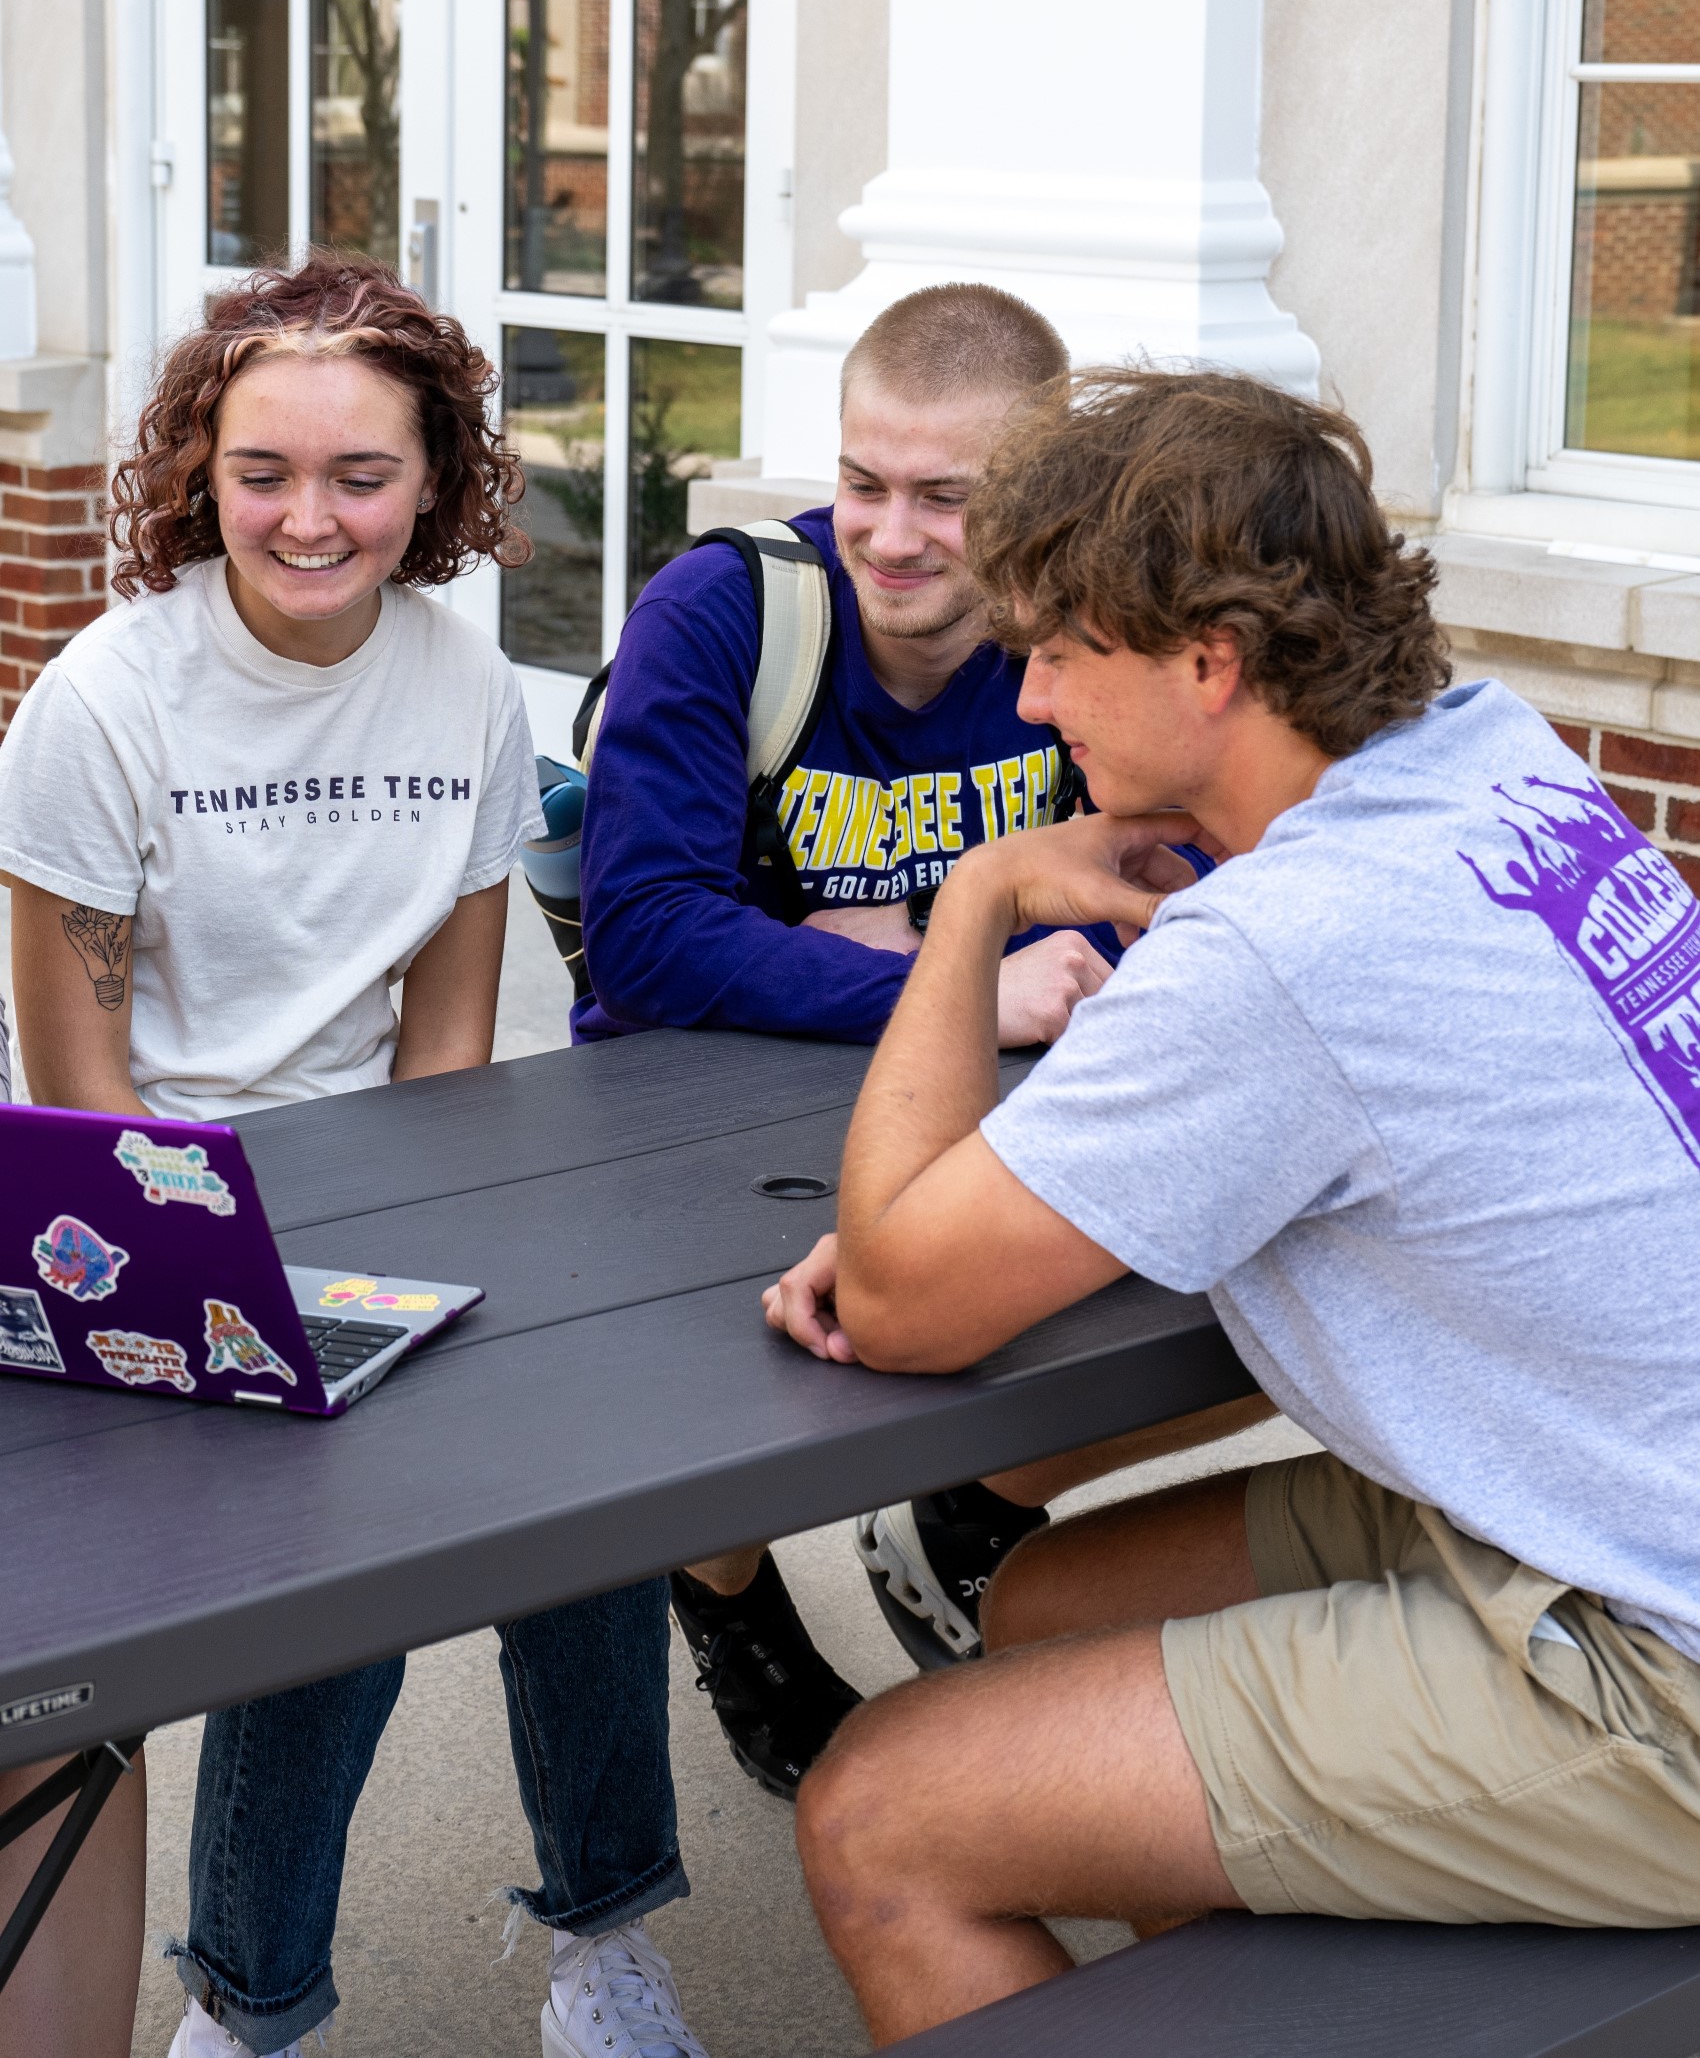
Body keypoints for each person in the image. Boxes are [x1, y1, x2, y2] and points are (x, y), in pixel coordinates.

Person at [763, 367, 1700, 2045]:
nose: (1032, 698)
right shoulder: (1495, 759)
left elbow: (899, 1300)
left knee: (879, 1812)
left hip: (1660, 1658)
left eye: (1060, 650)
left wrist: (971, 899)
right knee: (1041, 1606)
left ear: (1211, 664)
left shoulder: (1284, 948)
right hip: (1602, 1490)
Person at [0, 255, 706, 2058]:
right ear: (196, 470)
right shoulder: (100, 707)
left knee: (594, 1501)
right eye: (261, 471)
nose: (307, 519)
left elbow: (450, 1056)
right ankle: (249, 2008)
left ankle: (603, 1946)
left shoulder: (468, 693)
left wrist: (421, 1279)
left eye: (361, 476)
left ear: (439, 481)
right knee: (344, 1553)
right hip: (153, 1235)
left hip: (393, 1194)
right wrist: (279, 1313)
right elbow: (83, 1118)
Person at [574, 285, 1263, 1800]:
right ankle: (731, 1593)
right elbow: (643, 934)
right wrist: (968, 973)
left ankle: (963, 1516)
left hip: (990, 1092)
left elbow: (1182, 889)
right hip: (688, 1109)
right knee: (715, 1386)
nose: (891, 536)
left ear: (1038, 496)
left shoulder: (1091, 641)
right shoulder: (730, 613)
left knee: (1178, 1297)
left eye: (946, 498)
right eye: (863, 482)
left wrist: (882, 944)